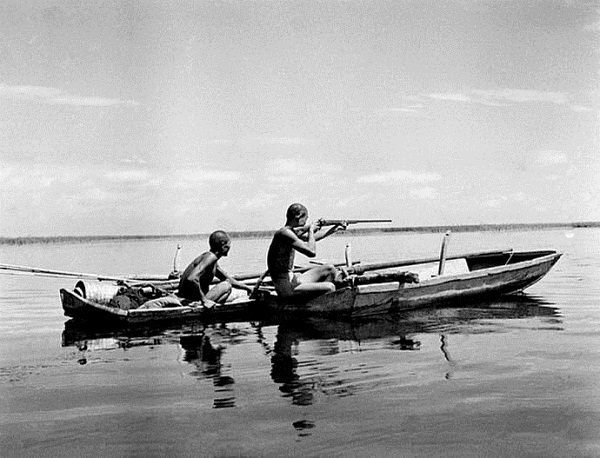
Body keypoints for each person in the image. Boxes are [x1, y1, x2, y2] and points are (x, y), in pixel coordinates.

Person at [267, 203, 346, 299]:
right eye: (306, 218)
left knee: (330, 269)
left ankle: (315, 297)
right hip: (286, 288)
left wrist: (334, 229)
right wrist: (311, 230)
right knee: (330, 287)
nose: (306, 220)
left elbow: (312, 238)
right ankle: (317, 302)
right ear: (298, 216)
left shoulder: (289, 232)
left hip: (292, 280)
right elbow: (311, 252)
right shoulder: (285, 233)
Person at [177, 230, 253, 307]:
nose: (229, 247)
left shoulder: (212, 261)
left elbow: (228, 279)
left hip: (190, 298)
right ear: (223, 245)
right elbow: (192, 278)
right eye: (228, 244)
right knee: (226, 286)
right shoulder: (210, 257)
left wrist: (248, 288)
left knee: (226, 289)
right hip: (190, 300)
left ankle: (207, 304)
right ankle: (201, 304)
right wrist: (204, 300)